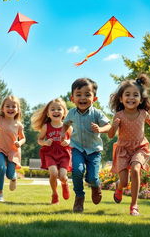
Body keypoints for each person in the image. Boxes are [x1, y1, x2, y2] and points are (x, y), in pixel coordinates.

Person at [108, 73, 150, 216]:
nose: (131, 98)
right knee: (125, 181)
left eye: (135, 95)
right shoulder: (119, 115)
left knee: (136, 169)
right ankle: (119, 188)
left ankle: (134, 206)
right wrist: (114, 126)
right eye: (127, 94)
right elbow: (110, 135)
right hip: (123, 149)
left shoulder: (143, 113)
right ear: (121, 98)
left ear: (140, 99)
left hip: (139, 147)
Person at [61, 78, 110, 213]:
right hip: (77, 148)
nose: (83, 98)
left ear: (94, 98)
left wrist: (100, 129)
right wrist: (62, 133)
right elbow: (65, 123)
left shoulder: (97, 113)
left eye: (87, 94)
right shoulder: (71, 113)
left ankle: (95, 185)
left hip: (94, 151)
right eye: (79, 94)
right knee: (77, 171)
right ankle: (79, 197)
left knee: (92, 178)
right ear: (72, 98)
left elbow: (108, 125)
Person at [31, 98, 72, 204]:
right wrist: (44, 143)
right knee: (53, 173)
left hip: (64, 154)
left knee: (62, 176)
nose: (56, 111)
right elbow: (39, 140)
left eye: (59, 109)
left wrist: (68, 141)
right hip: (50, 153)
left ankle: (64, 183)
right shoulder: (46, 126)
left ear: (64, 113)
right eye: (52, 109)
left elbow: (74, 140)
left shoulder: (68, 127)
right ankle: (54, 194)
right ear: (48, 114)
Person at [0, 95, 26, 202]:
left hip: (13, 151)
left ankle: (13, 178)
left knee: (9, 174)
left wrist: (19, 142)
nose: (10, 108)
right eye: (8, 106)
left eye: (13, 106)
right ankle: (0, 194)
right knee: (1, 168)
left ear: (17, 110)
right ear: (3, 108)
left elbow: (23, 138)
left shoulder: (18, 125)